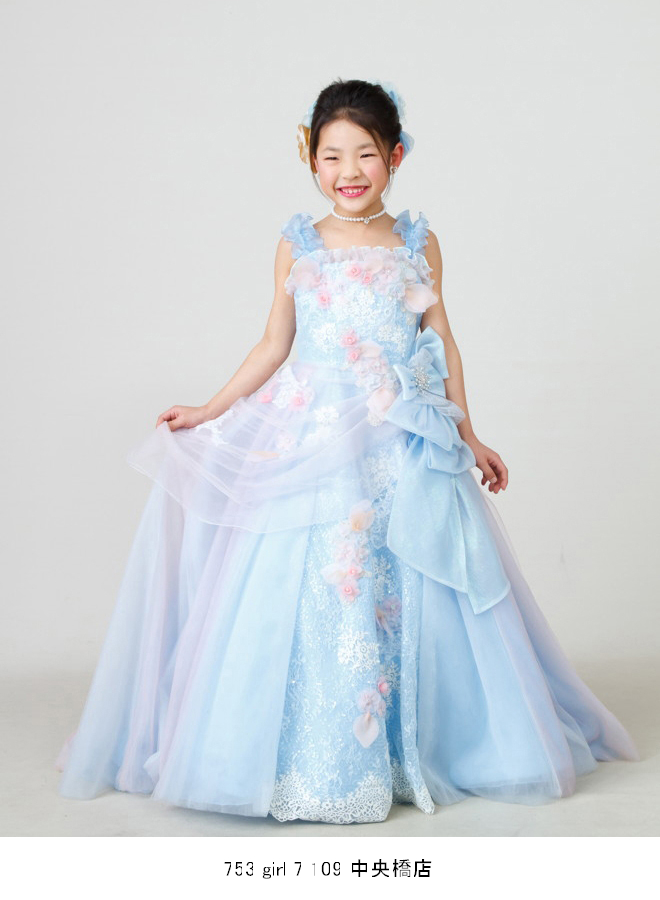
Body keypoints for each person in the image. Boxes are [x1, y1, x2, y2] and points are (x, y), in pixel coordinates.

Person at [56, 78, 639, 825]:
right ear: (311, 162)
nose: (348, 171)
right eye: (331, 156)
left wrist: (469, 434)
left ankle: (418, 746)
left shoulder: (416, 242)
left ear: (396, 156)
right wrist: (208, 409)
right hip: (316, 438)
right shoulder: (299, 243)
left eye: (365, 153)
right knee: (319, 588)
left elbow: (441, 342)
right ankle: (309, 758)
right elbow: (274, 345)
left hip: (400, 440)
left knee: (414, 587)